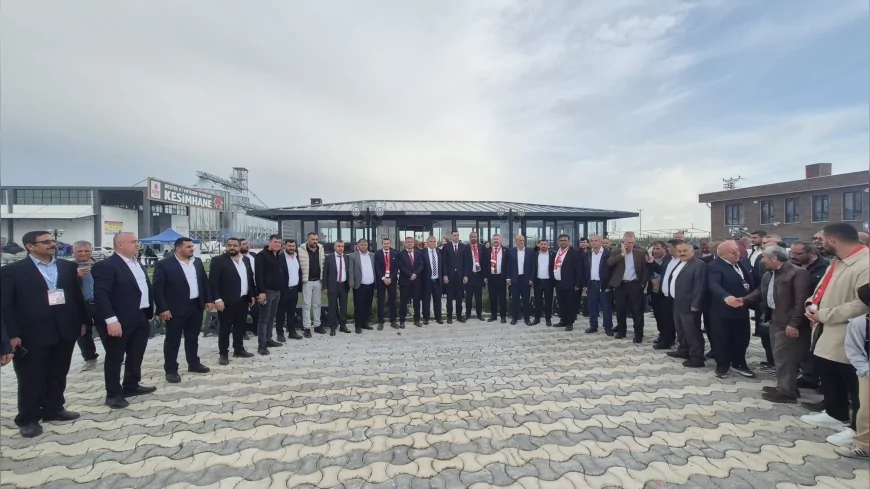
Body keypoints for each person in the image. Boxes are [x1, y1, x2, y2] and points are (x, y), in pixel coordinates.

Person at [0, 230, 87, 437]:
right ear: (30, 246)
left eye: (53, 241)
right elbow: (6, 306)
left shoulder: (67, 267)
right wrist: (12, 334)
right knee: (31, 378)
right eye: (46, 241)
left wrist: (83, 321)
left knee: (58, 372)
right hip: (31, 333)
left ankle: (54, 409)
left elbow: (77, 296)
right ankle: (28, 418)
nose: (52, 244)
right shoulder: (12, 271)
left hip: (64, 329)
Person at [801, 223, 869, 448]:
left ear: (832, 240)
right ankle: (834, 413)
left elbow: (862, 303)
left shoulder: (865, 264)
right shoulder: (837, 261)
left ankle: (857, 429)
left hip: (848, 333)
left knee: (855, 385)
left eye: (821, 240)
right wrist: (811, 304)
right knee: (829, 372)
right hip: (825, 328)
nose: (819, 244)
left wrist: (824, 315)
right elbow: (822, 289)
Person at [92, 232, 157, 409]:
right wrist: (111, 320)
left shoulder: (137, 263)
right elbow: (101, 295)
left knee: (136, 353)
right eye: (133, 241)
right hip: (119, 319)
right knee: (115, 357)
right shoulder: (106, 266)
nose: (137, 244)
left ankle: (131, 384)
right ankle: (113, 393)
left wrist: (149, 311)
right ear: (120, 245)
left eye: (137, 241)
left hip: (141, 315)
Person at [739, 246, 811, 401]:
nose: (762, 260)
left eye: (764, 257)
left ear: (774, 258)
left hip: (788, 323)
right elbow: (761, 291)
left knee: (786, 358)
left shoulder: (797, 273)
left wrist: (794, 323)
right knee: (779, 357)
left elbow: (801, 301)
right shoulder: (769, 274)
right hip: (774, 320)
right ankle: (785, 387)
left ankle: (787, 393)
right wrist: (744, 300)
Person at [153, 237, 213, 383]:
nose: (192, 249)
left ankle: (194, 363)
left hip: (196, 305)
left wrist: (208, 300)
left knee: (193, 337)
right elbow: (158, 288)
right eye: (188, 247)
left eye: (192, 246)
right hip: (175, 308)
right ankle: (171, 370)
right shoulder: (164, 264)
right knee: (173, 340)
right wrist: (163, 308)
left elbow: (204, 282)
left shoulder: (197, 262)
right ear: (178, 248)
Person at [705, 240, 756, 378]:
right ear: (722, 254)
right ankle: (722, 366)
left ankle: (739, 363)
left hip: (742, 308)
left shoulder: (743, 262)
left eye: (737, 250)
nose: (736, 253)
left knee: (742, 338)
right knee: (722, 338)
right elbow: (713, 284)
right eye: (732, 252)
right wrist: (725, 296)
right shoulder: (714, 266)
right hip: (722, 310)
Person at [210, 238, 256, 365]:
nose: (232, 247)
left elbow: (249, 279)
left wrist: (252, 295)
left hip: (243, 300)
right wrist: (217, 299)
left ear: (239, 247)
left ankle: (239, 349)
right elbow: (213, 282)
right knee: (225, 328)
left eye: (235, 245)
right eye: (229, 245)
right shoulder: (218, 261)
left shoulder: (245, 260)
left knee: (240, 326)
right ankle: (223, 353)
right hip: (226, 301)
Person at [836, 283, 869, 459]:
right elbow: (854, 351)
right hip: (867, 373)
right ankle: (863, 446)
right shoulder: (860, 323)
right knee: (866, 412)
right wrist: (866, 370)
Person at [668, 241, 708, 368]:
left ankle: (697, 358)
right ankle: (683, 350)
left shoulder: (699, 264)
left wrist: (696, 304)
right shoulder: (680, 262)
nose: (682, 253)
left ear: (692, 251)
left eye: (685, 251)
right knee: (681, 330)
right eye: (679, 251)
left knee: (692, 332)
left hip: (690, 304)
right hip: (678, 302)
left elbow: (700, 286)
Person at [607, 231, 649, 342]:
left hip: (635, 284)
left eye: (632, 243)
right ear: (623, 242)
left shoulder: (640, 253)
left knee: (637, 310)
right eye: (627, 243)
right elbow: (610, 263)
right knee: (620, 310)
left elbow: (645, 270)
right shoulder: (616, 252)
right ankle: (621, 331)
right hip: (620, 285)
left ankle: (638, 334)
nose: (630, 245)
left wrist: (642, 284)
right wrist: (622, 254)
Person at [72, 240, 105, 371]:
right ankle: (89, 357)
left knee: (105, 329)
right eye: (79, 251)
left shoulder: (100, 264)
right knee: (83, 333)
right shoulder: (68, 267)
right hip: (81, 304)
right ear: (74, 251)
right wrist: (75, 275)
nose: (83, 253)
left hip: (99, 302)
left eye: (86, 251)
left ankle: (114, 355)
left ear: (91, 251)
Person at [253, 235, 286, 354]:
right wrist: (261, 292)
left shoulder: (279, 255)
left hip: (277, 291)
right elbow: (259, 275)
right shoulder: (261, 256)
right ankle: (261, 345)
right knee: (264, 318)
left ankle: (268, 339)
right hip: (266, 291)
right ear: (269, 242)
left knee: (271, 317)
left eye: (279, 242)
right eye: (275, 242)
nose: (278, 244)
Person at [552, 234, 583, 331]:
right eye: (561, 240)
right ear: (558, 242)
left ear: (569, 241)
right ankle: (563, 320)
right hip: (559, 282)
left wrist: (577, 284)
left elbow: (579, 269)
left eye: (565, 240)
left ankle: (570, 322)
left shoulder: (575, 252)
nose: (563, 242)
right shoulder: (556, 252)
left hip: (571, 283)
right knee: (561, 303)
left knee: (570, 304)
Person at [583, 235, 613, 335]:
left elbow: (612, 271)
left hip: (604, 284)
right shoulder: (587, 254)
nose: (594, 242)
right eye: (592, 241)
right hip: (591, 283)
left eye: (596, 240)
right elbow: (583, 270)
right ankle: (593, 326)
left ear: (601, 242)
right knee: (592, 306)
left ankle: (608, 327)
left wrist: (609, 285)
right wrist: (584, 284)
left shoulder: (608, 254)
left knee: (606, 307)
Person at [298, 232, 325, 337]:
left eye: (316, 239)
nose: (315, 241)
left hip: (318, 281)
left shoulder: (321, 249)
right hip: (306, 281)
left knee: (317, 304)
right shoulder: (300, 250)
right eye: (313, 239)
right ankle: (307, 327)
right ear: (308, 239)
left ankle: (317, 325)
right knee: (306, 305)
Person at [276, 239, 303, 341]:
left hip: (294, 289)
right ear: (284, 246)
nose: (291, 248)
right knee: (280, 312)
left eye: (293, 246)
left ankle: (292, 332)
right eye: (289, 246)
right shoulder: (280, 257)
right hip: (283, 290)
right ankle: (280, 334)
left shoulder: (297, 257)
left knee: (292, 312)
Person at [322, 240, 351, 335]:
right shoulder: (329, 258)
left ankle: (343, 325)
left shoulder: (346, 257)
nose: (340, 248)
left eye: (342, 246)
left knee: (343, 307)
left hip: (343, 285)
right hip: (332, 285)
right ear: (334, 247)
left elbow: (348, 271)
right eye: (338, 246)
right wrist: (325, 287)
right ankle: (333, 327)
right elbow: (325, 273)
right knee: (332, 307)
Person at [348, 238, 376, 333]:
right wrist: (351, 282)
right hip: (359, 285)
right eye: (361, 245)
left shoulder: (372, 255)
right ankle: (358, 325)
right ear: (358, 246)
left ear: (368, 245)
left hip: (370, 284)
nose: (363, 246)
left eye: (365, 245)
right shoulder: (353, 256)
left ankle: (365, 323)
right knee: (359, 306)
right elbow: (350, 270)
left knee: (368, 305)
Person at [508, 235, 534, 326]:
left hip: (525, 279)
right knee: (515, 300)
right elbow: (508, 266)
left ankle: (527, 318)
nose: (522, 242)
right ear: (516, 241)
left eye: (523, 240)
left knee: (526, 300)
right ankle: (514, 318)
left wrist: (531, 278)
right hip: (515, 279)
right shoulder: (511, 251)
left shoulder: (530, 251)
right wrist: (508, 278)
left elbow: (533, 266)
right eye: (520, 240)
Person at [398, 236, 423, 328]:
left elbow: (421, 265)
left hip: (416, 282)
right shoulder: (400, 254)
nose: (409, 243)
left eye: (411, 242)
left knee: (416, 302)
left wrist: (415, 274)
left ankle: (417, 320)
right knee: (403, 302)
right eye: (408, 242)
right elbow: (401, 266)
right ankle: (402, 320)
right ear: (405, 244)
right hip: (405, 282)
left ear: (414, 243)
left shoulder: (418, 253)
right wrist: (410, 275)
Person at [442, 230, 466, 324]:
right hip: (449, 276)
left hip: (460, 277)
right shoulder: (446, 247)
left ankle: (459, 316)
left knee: (459, 298)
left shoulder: (463, 247)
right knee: (449, 298)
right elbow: (444, 262)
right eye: (454, 235)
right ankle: (449, 317)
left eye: (457, 235)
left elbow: (466, 262)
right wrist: (445, 275)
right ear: (451, 236)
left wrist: (465, 275)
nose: (456, 237)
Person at [374, 238, 398, 329]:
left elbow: (396, 268)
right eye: (385, 243)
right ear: (382, 244)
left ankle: (393, 321)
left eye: (388, 243)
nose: (386, 245)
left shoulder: (395, 254)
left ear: (390, 244)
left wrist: (390, 278)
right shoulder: (378, 254)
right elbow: (377, 267)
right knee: (381, 301)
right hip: (381, 280)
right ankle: (381, 321)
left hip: (392, 280)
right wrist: (384, 278)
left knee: (393, 301)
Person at [463, 231, 487, 321]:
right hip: (469, 275)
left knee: (478, 297)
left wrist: (485, 276)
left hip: (479, 275)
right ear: (470, 238)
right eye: (472, 236)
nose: (473, 238)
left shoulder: (481, 247)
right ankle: (467, 314)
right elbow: (464, 262)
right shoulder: (466, 248)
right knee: (468, 297)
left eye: (475, 236)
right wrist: (465, 275)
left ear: (477, 237)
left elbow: (484, 262)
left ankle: (479, 314)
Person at [487, 234, 510, 323]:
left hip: (501, 277)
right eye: (494, 239)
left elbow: (508, 265)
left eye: (497, 239)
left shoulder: (505, 251)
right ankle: (493, 316)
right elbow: (485, 264)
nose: (496, 241)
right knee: (492, 297)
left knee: (502, 298)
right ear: (492, 241)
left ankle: (503, 316)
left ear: (500, 241)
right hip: (491, 277)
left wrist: (508, 277)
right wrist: (485, 276)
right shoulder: (488, 250)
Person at [421, 236, 444, 325]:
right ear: (427, 243)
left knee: (437, 300)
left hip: (437, 280)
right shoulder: (422, 252)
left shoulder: (439, 252)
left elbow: (442, 265)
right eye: (431, 241)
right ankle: (426, 318)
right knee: (426, 300)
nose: (433, 243)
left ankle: (438, 317)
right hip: (427, 280)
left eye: (434, 241)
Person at [532, 239, 555, 326]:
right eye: (541, 244)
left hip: (549, 281)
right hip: (538, 280)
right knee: (538, 300)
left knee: (548, 301)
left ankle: (548, 319)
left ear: (548, 245)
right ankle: (537, 318)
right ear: (538, 245)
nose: (543, 246)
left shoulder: (553, 254)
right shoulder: (535, 255)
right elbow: (532, 268)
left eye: (545, 244)